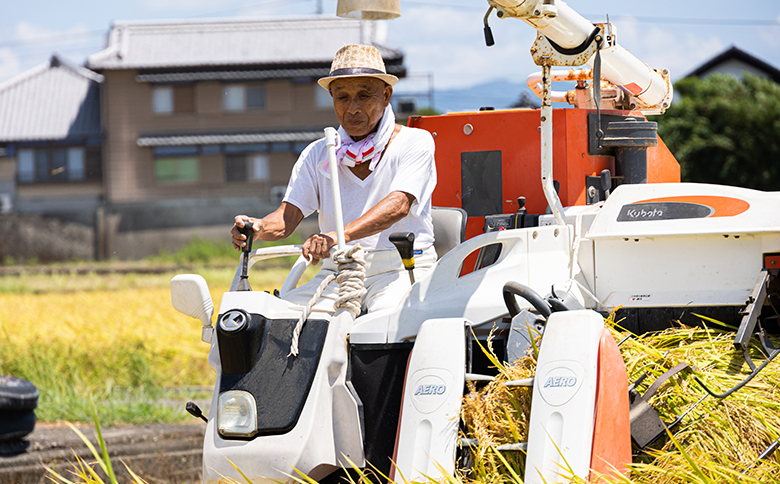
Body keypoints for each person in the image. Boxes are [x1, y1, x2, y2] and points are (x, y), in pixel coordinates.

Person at [231, 44, 437, 314]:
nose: (352, 108)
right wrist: (257, 227)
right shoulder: (319, 152)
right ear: (331, 97)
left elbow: (399, 205)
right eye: (342, 97)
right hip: (338, 269)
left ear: (386, 95)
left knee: (381, 327)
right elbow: (286, 219)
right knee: (278, 319)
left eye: (364, 95)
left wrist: (338, 237)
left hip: (401, 267)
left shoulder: (414, 142)